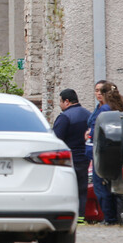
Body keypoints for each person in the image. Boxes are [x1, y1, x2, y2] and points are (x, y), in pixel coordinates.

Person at [86, 80, 123, 224]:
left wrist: (90, 134)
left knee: (102, 187)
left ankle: (109, 218)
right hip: (110, 151)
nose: (97, 94)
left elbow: (99, 129)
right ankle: (112, 217)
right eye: (95, 90)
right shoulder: (110, 107)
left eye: (99, 91)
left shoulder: (105, 109)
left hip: (102, 152)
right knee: (108, 187)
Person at [53, 88, 91, 224]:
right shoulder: (88, 115)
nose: (60, 104)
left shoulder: (65, 117)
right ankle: (81, 218)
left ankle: (67, 217)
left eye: (60, 101)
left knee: (66, 189)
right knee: (82, 189)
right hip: (85, 159)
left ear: (67, 101)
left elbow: (56, 139)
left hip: (68, 160)